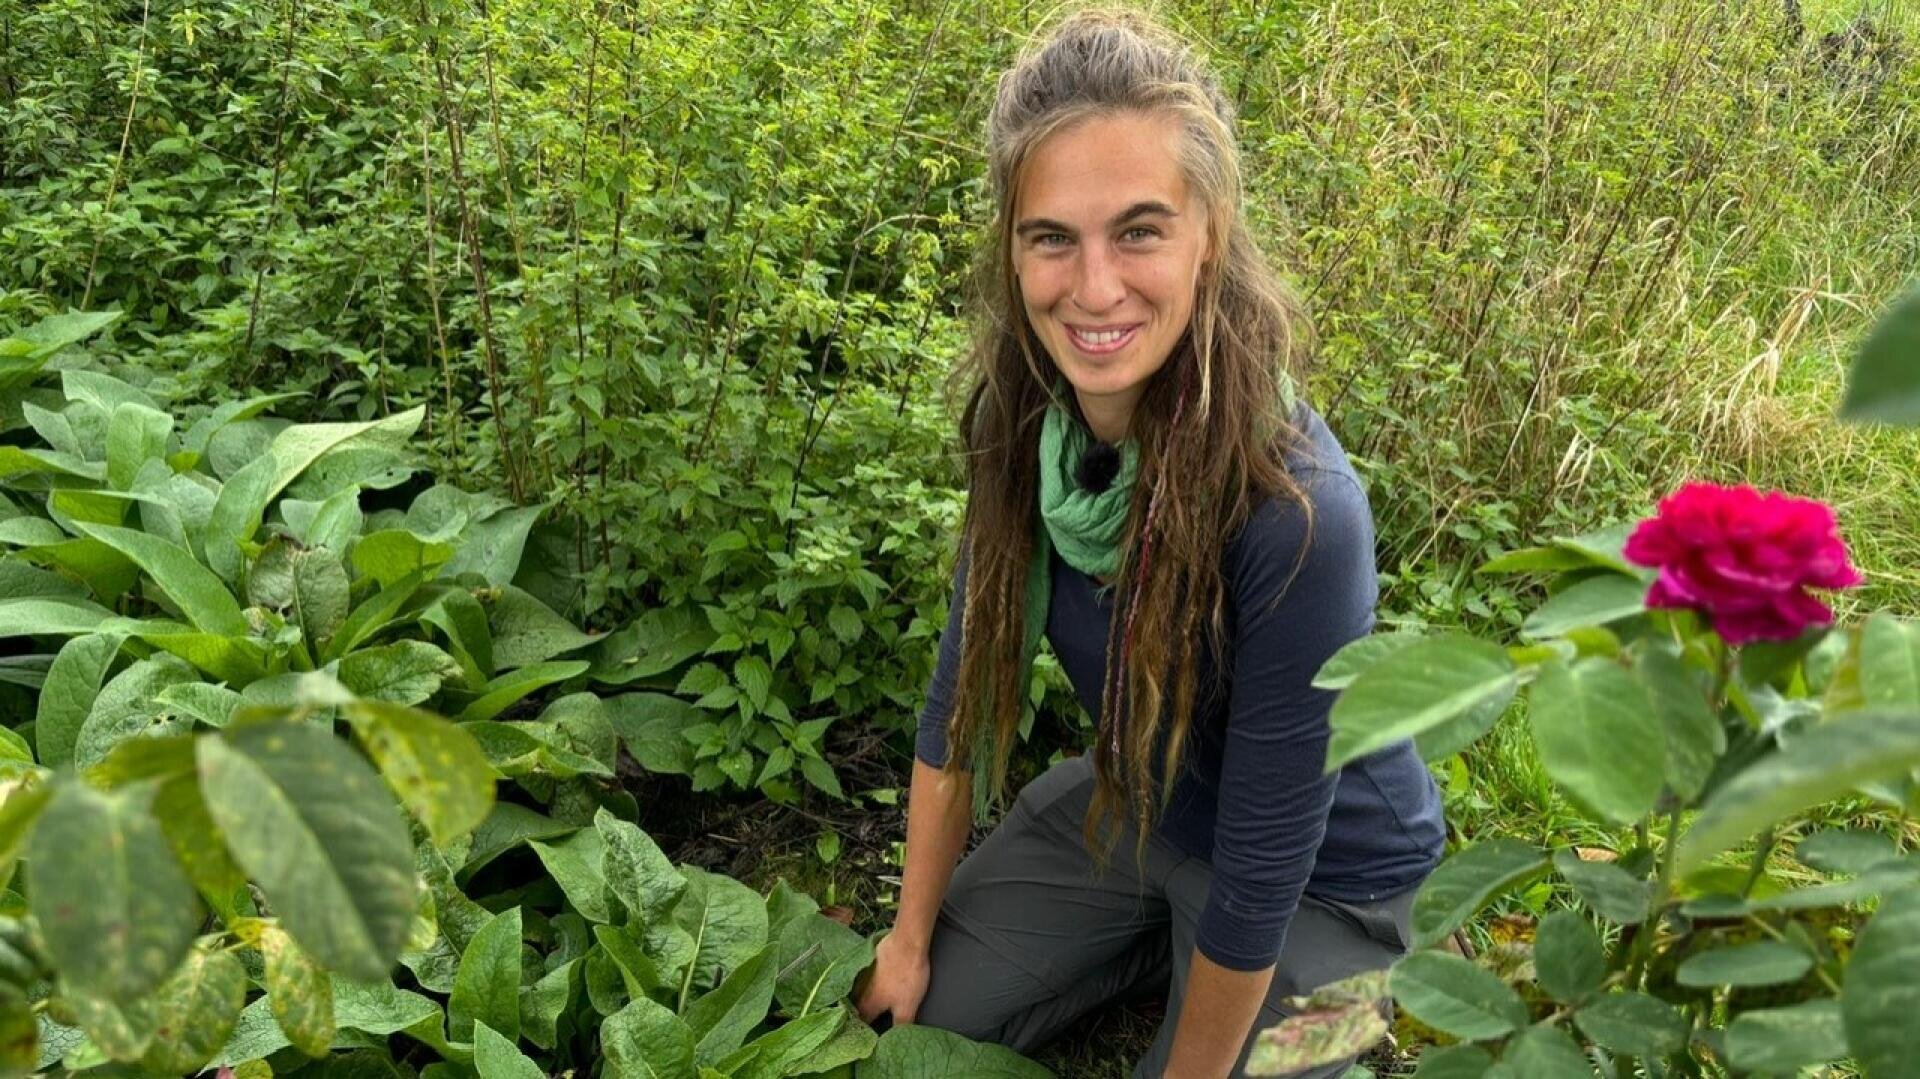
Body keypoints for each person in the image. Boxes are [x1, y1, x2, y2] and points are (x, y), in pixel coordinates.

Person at [853, 10, 1446, 1078]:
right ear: (1012, 244)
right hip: (1144, 798)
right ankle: (1145, 941)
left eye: (1138, 230)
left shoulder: (1299, 511)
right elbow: (957, 692)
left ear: (1208, 231)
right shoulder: (1024, 422)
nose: (1093, 288)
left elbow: (1267, 861)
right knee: (917, 1026)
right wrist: (903, 941)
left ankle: (1339, 991)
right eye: (1052, 238)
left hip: (1330, 880)